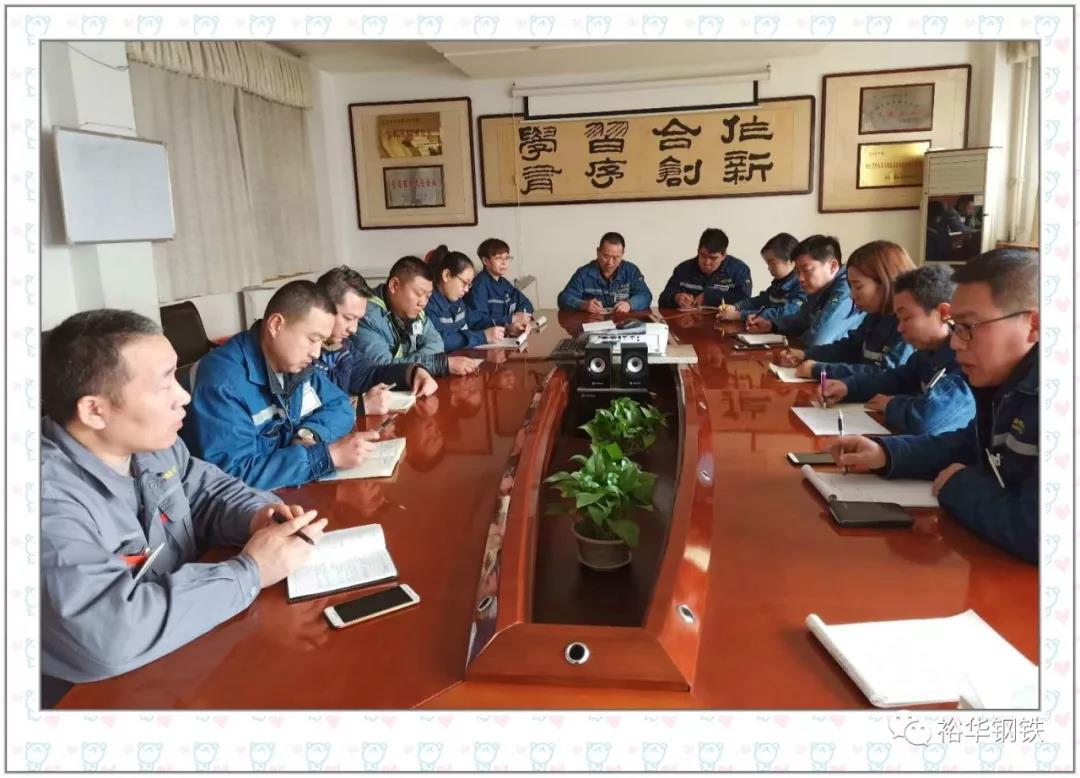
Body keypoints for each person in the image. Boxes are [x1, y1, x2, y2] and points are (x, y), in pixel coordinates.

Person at [40, 309, 328, 685]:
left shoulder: (152, 444)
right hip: (95, 695)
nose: (184, 396)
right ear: (95, 410)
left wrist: (257, 515)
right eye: (164, 385)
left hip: (185, 649)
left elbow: (206, 491)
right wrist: (251, 572)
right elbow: (109, 634)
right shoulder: (47, 503)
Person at [831, 249, 1039, 563]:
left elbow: (1041, 532)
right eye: (955, 326)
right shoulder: (1006, 383)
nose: (954, 342)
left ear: (1034, 325)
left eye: (968, 326)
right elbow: (968, 444)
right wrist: (886, 454)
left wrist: (960, 485)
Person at [183, 281, 372, 491]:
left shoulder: (294, 365)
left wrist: (308, 434)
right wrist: (325, 456)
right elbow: (233, 475)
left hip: (285, 491)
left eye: (322, 342)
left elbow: (340, 404)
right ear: (275, 325)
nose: (316, 353)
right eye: (312, 339)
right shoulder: (224, 381)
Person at [817, 264, 975, 435]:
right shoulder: (925, 354)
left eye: (906, 318)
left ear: (944, 313)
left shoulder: (964, 361)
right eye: (898, 319)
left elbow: (927, 419)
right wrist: (848, 387)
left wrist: (891, 404)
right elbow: (895, 379)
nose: (900, 328)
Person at [776, 240, 916, 380]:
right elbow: (849, 348)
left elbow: (886, 373)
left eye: (858, 287)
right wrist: (805, 354)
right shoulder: (875, 315)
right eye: (851, 287)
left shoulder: (908, 325)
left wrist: (819, 369)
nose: (852, 295)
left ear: (886, 282)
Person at [314, 265, 438, 414]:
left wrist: (413, 372)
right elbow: (304, 416)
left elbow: (370, 374)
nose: (353, 329)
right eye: (348, 318)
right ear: (322, 308)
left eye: (357, 320)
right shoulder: (304, 356)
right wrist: (361, 406)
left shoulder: (342, 346)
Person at [352, 255, 481, 376]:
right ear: (394, 286)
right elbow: (383, 369)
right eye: (419, 294)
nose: (423, 303)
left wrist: (407, 362)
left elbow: (437, 344)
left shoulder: (416, 313)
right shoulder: (365, 315)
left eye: (428, 296)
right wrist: (438, 364)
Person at [746, 234, 864, 347]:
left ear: (832, 266)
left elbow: (819, 339)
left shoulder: (846, 288)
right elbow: (801, 320)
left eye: (806, 270)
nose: (800, 278)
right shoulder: (819, 287)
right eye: (797, 272)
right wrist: (771, 325)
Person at [425, 247, 513, 351]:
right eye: (464, 283)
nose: (467, 290)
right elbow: (441, 341)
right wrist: (483, 336)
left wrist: (507, 325)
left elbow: (476, 320)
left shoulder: (458, 302)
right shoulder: (428, 305)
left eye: (469, 284)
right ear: (446, 275)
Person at [716, 232, 806, 323]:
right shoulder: (778, 284)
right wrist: (735, 307)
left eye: (772, 263)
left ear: (791, 261)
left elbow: (783, 314)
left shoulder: (803, 287)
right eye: (768, 264)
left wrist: (739, 315)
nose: (769, 268)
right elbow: (759, 301)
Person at [557, 232, 653, 313]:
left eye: (616, 257)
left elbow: (645, 296)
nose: (610, 263)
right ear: (598, 252)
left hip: (622, 323)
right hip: (592, 323)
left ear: (622, 255)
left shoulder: (631, 271)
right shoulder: (583, 273)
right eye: (606, 256)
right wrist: (583, 305)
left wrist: (629, 304)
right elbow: (563, 298)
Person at [658, 227, 752, 309]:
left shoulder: (739, 270)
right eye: (703, 256)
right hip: (689, 321)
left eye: (713, 258)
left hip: (724, 321)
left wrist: (709, 298)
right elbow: (663, 298)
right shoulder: (683, 269)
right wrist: (676, 297)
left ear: (723, 256)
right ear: (698, 251)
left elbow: (744, 299)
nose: (707, 262)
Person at [465, 238, 535, 335]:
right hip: (487, 339)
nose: (504, 262)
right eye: (498, 258)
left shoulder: (504, 282)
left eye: (507, 258)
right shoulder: (479, 285)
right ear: (485, 261)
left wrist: (520, 319)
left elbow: (526, 304)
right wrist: (511, 319)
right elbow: (478, 322)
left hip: (506, 335)